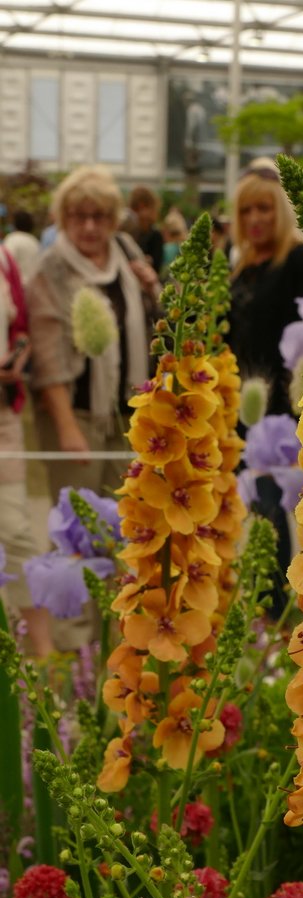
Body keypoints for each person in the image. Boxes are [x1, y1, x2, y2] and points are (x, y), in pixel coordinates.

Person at [27, 165, 158, 504]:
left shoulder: (125, 249)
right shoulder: (51, 268)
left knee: (126, 520)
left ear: (113, 218)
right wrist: (67, 428)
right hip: (79, 416)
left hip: (129, 414)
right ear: (63, 218)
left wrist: (152, 286)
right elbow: (46, 357)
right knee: (81, 523)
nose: (89, 226)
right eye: (78, 216)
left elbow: (151, 320)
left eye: (99, 216)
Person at [228, 159, 303, 416]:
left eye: (263, 208)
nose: (254, 219)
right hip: (240, 400)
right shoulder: (241, 266)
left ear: (281, 211)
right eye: (245, 210)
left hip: (284, 401)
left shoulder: (299, 259)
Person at [0, 242, 53, 656]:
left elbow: (20, 325)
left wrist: (19, 353)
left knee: (17, 532)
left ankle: (47, 657)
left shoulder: (4, 258)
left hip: (3, 418)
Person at [128, 186, 164, 274]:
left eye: (144, 207)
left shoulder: (155, 235)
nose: (141, 213)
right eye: (137, 208)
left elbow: (156, 268)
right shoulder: (127, 233)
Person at [3, 210, 40, 286]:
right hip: (33, 287)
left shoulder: (12, 239)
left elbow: (5, 262)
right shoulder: (34, 241)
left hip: (18, 287)